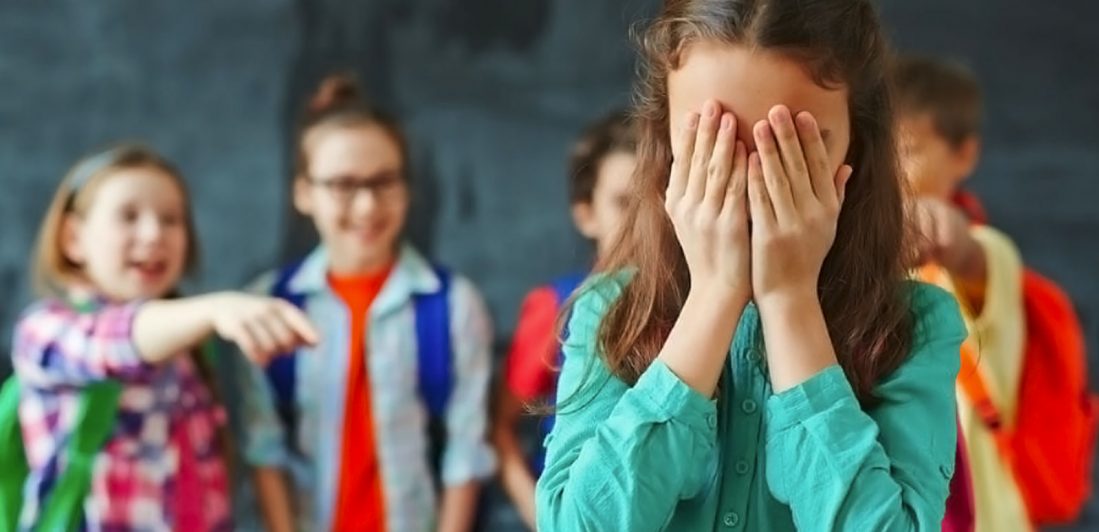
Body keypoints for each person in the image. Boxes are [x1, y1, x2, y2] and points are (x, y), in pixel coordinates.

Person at [535, 0, 967, 529]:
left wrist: (790, 301)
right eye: (713, 143)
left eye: (793, 149)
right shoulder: (610, 311)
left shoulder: (916, 326)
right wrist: (714, 294)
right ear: (666, 139)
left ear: (859, 138)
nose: (749, 180)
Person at [8, 144, 316, 531]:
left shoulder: (190, 352)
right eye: (128, 216)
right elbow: (114, 342)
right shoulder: (45, 330)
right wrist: (214, 308)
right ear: (73, 238)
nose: (153, 234)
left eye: (171, 219)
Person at [237, 75, 496, 532]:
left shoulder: (453, 306)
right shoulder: (270, 307)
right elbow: (265, 448)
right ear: (303, 192)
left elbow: (465, 451)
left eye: (384, 182)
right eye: (342, 184)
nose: (366, 207)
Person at [493, 109, 637, 529]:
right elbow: (501, 429)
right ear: (585, 213)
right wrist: (543, 517)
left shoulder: (707, 304)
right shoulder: (557, 305)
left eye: (662, 196)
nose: (648, 220)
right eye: (624, 203)